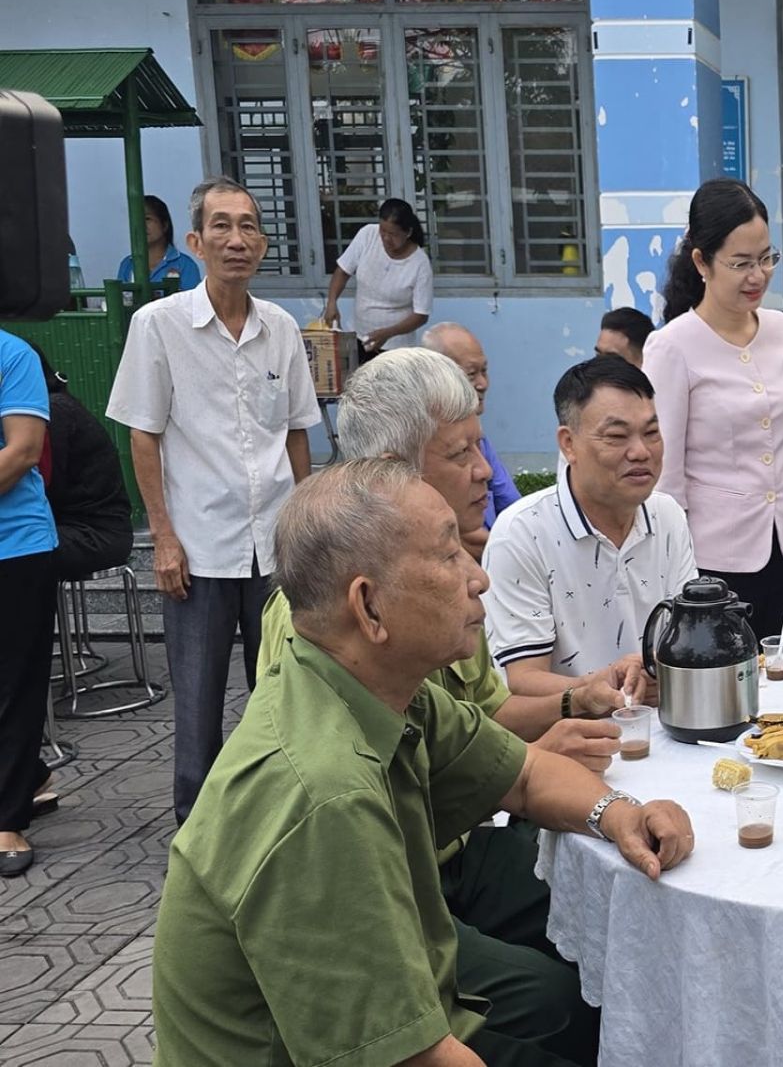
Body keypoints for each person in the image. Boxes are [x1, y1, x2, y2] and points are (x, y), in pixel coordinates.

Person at [153, 458, 694, 1067]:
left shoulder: (374, 687)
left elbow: (520, 774)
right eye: (448, 557)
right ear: (370, 607)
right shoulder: (323, 797)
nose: (478, 579)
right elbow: (409, 1059)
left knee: (577, 1009)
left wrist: (617, 813)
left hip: (421, 1005)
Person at [253, 349, 637, 1034]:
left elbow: (491, 733)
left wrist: (583, 726)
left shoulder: (433, 589)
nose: (486, 471)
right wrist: (527, 761)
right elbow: (377, 810)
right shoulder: (324, 633)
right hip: (395, 873)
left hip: (457, 847)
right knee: (563, 1000)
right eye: (462, 452)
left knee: (623, 911)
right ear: (394, 475)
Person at [106, 176, 320, 825]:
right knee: (197, 705)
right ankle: (197, 836)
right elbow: (144, 437)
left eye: (249, 226)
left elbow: (295, 435)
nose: (238, 239)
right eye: (222, 226)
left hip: (275, 549)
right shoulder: (159, 326)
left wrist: (309, 532)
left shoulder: (280, 329)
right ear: (195, 241)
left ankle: (279, 823)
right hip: (197, 551)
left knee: (283, 697)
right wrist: (164, 539)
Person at [643, 179, 783, 646]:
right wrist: (680, 577)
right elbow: (668, 481)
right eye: (741, 263)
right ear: (702, 262)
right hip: (713, 566)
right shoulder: (672, 347)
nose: (758, 276)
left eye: (767, 258)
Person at [484, 356, 698, 701]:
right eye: (617, 436)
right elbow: (522, 680)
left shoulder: (667, 515)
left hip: (664, 728)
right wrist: (611, 685)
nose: (641, 451)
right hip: (571, 738)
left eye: (652, 433)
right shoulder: (522, 534)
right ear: (568, 443)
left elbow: (688, 638)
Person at [0, 329, 59, 878]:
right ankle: (30, 774)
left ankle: (7, 816)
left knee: (15, 684)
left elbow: (20, 451)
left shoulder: (11, 355)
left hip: (14, 546)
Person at [32, 345, 135, 580]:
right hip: (71, 529)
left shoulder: (54, 412)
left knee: (17, 551)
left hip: (96, 535)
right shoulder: (52, 407)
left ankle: (28, 618)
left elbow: (43, 487)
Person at [424, 322, 522, 532]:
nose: (482, 384)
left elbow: (512, 503)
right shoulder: (425, 439)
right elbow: (467, 537)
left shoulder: (478, 437)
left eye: (484, 371)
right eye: (470, 375)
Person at [322, 196, 433, 353]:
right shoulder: (367, 235)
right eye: (383, 231)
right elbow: (342, 271)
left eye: (393, 234)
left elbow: (421, 315)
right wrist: (332, 302)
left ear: (408, 232)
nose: (386, 238)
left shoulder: (419, 263)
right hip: (361, 338)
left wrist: (388, 333)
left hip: (397, 348)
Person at [116, 195, 202, 290]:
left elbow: (192, 302)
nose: (141, 224)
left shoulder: (185, 265)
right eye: (137, 219)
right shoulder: (127, 264)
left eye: (147, 219)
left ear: (164, 225)